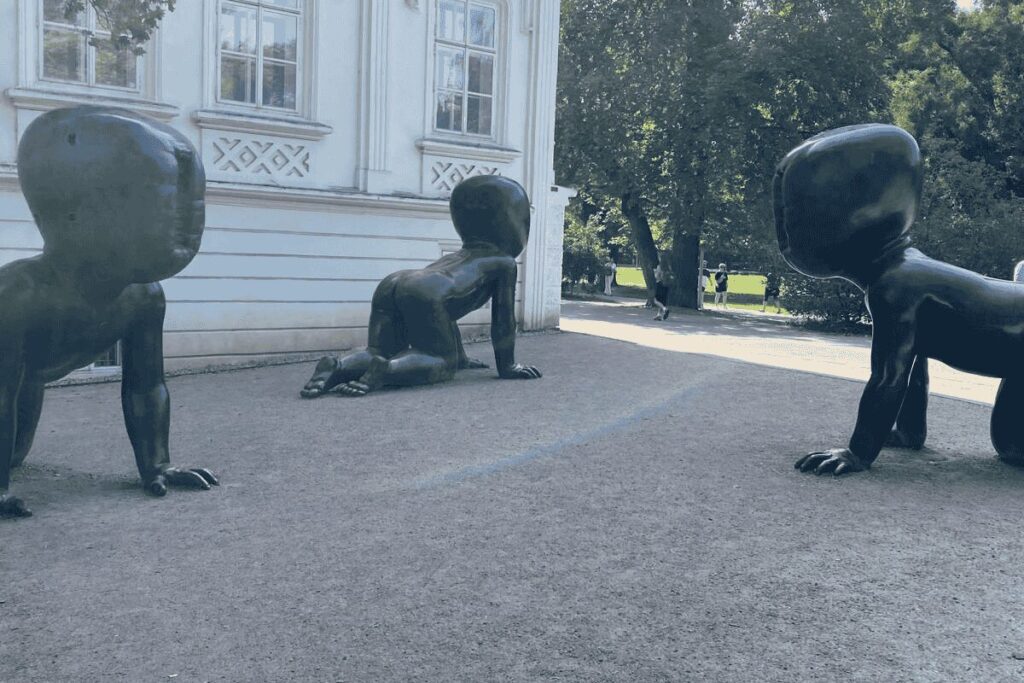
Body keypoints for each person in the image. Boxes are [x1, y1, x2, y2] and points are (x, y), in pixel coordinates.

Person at [0, 106, 219, 517]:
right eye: (162, 203)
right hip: (15, 380)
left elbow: (146, 385)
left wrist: (157, 465)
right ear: (76, 213)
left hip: (26, 379)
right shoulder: (16, 296)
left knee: (12, 453)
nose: (186, 221)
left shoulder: (142, 296)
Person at [301, 175, 542, 398]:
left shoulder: (455, 257)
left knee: (378, 349)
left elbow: (444, 317)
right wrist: (508, 366)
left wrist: (461, 357)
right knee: (440, 361)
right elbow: (503, 321)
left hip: (394, 282)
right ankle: (388, 370)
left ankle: (338, 366)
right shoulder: (503, 263)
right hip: (426, 292)